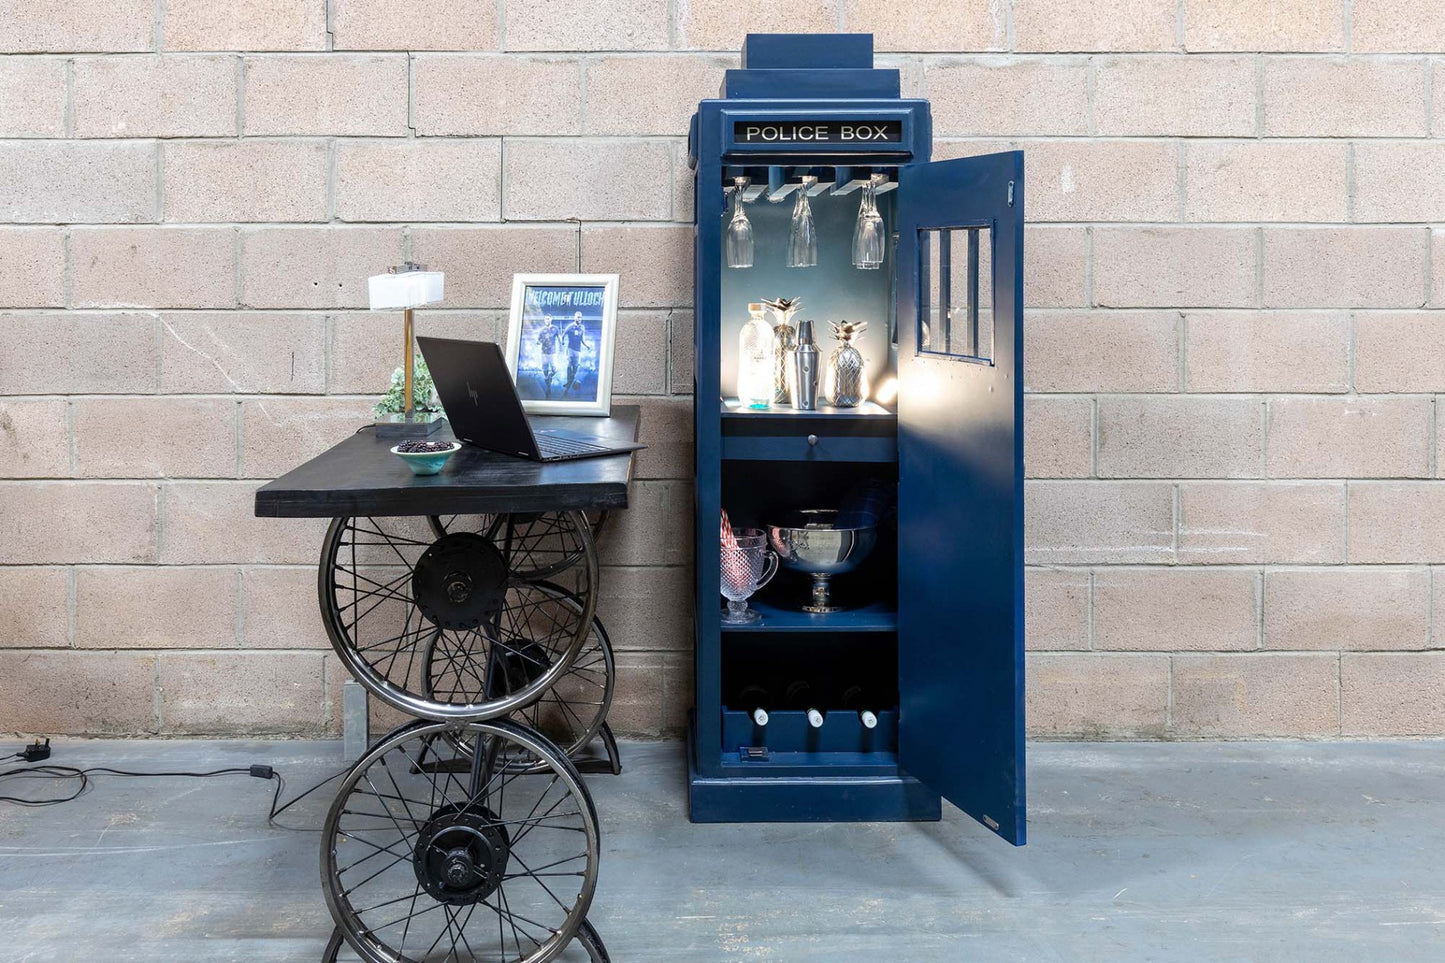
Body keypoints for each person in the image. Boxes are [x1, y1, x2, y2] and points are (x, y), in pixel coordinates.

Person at [563, 311, 591, 396]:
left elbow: (582, 339)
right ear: (574, 317)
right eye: (578, 317)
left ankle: (568, 384)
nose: (579, 319)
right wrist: (562, 342)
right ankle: (566, 389)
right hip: (570, 349)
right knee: (568, 365)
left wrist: (587, 346)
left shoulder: (582, 328)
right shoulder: (570, 326)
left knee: (574, 371)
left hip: (578, 351)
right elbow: (563, 334)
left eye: (580, 317)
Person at [535, 315, 560, 398]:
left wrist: (561, 343)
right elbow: (538, 340)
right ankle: (548, 388)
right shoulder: (542, 330)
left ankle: (550, 376)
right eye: (545, 319)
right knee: (545, 370)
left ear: (551, 319)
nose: (547, 320)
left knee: (555, 370)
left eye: (548, 319)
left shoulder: (555, 329)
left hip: (553, 352)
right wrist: (538, 342)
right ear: (544, 320)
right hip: (544, 353)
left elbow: (559, 337)